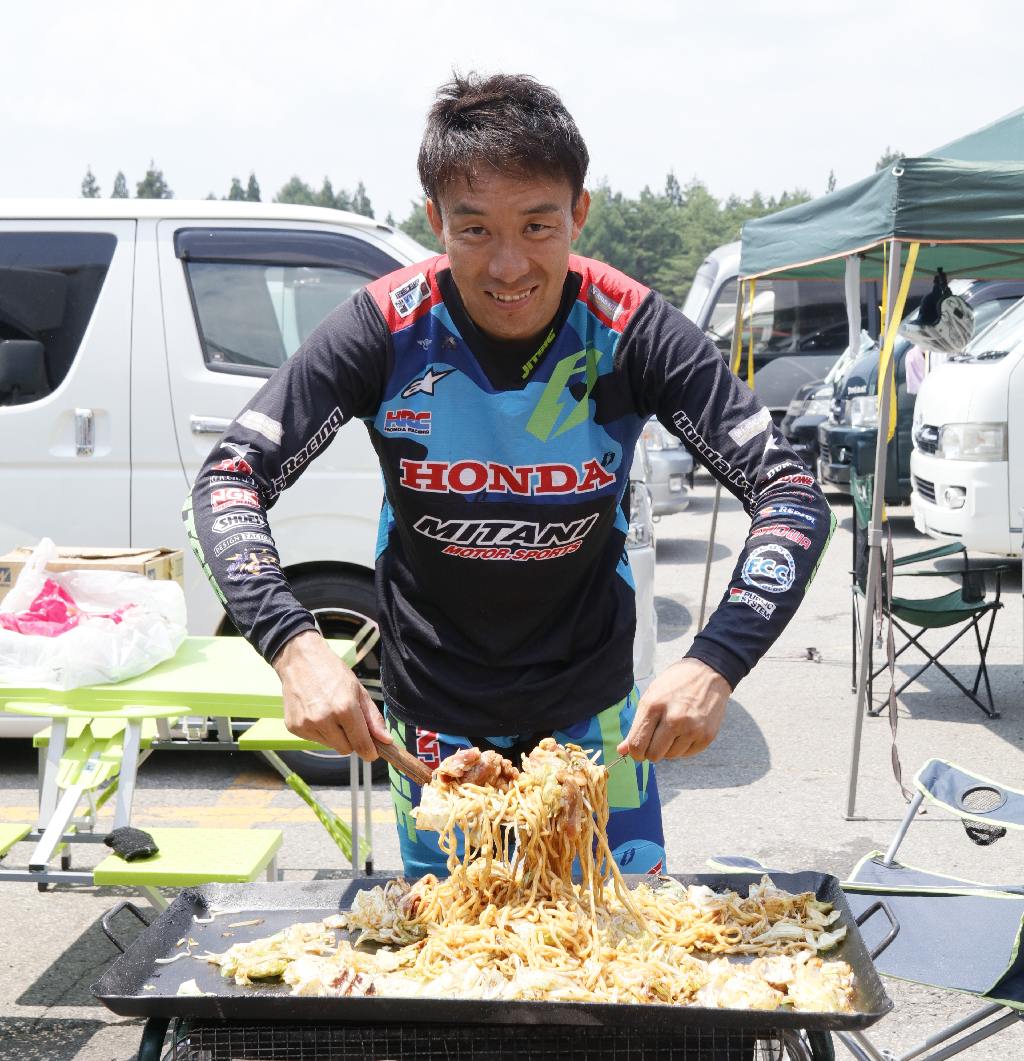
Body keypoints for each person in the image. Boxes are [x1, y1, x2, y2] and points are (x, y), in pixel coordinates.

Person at [184, 72, 834, 878]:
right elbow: (227, 480)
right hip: (431, 714)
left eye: (537, 225)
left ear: (579, 214)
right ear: (435, 223)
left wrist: (716, 660)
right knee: (459, 962)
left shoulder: (630, 327)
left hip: (592, 709)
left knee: (621, 959)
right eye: (474, 229)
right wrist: (295, 645)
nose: (508, 266)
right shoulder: (386, 327)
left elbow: (792, 495)